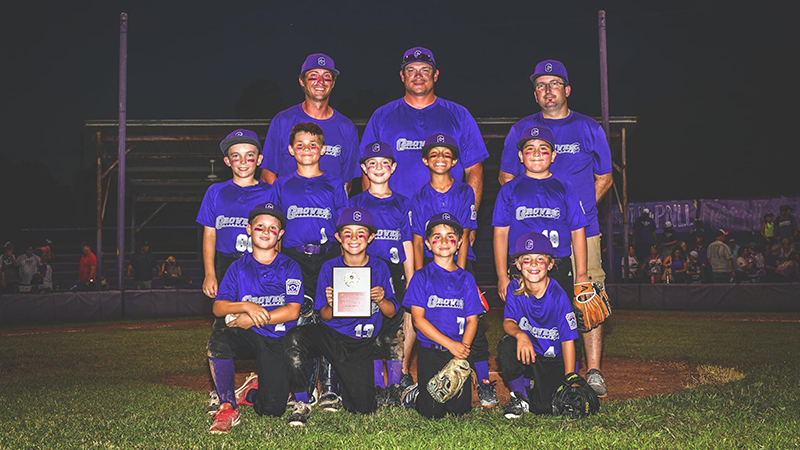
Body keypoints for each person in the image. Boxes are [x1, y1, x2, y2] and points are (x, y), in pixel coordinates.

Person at [498, 59, 612, 397]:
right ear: (535, 94)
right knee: (533, 298)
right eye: (541, 86)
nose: (548, 91)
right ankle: (537, 367)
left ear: (567, 90)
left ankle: (593, 370)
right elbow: (506, 177)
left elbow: (605, 177)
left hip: (581, 230)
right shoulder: (520, 130)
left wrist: (573, 213)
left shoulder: (589, 127)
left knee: (586, 293)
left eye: (555, 84)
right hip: (531, 237)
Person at [283, 206, 398, 426]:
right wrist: (332, 304)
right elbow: (325, 316)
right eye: (347, 233)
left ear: (371, 237)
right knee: (295, 338)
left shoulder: (379, 267)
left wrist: (381, 299)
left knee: (362, 408)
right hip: (333, 337)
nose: (354, 238)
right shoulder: (329, 267)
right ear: (338, 237)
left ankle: (345, 387)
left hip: (361, 343)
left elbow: (391, 312)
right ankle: (301, 399)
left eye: (361, 233)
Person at [409, 133, 497, 408]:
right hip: (430, 265)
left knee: (474, 323)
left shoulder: (464, 192)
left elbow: (465, 234)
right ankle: (417, 381)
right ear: (425, 160)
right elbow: (417, 240)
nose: (440, 159)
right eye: (434, 154)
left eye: (446, 154)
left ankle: (483, 382)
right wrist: (418, 275)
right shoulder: (419, 196)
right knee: (433, 318)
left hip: (460, 263)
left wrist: (458, 271)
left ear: (455, 161)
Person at [360, 46, 488, 227]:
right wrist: (372, 220)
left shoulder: (459, 115)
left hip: (446, 224)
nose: (418, 76)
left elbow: (474, 169)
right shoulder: (382, 116)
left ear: (435, 75)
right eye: (411, 70)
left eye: (425, 70)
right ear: (402, 76)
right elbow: (367, 170)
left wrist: (469, 221)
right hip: (393, 221)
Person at [206, 204, 303, 434]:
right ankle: (228, 406)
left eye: (272, 228)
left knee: (273, 409)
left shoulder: (290, 266)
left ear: (280, 234)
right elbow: (218, 307)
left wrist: (253, 318)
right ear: (249, 229)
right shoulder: (238, 267)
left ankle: (250, 392)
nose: (266, 232)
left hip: (277, 339)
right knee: (219, 341)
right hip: (249, 336)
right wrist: (247, 306)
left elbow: (292, 311)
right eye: (260, 226)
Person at [275, 122, 349, 409]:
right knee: (300, 319)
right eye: (300, 145)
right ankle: (304, 387)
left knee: (330, 317)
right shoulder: (282, 184)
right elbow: (275, 227)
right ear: (291, 149)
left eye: (313, 145)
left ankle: (330, 388)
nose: (307, 150)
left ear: (323, 149)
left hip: (327, 256)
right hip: (293, 258)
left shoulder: (334, 183)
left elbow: (343, 227)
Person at [400, 213, 483, 419]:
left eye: (450, 237)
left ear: (460, 243)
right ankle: (417, 394)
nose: (444, 241)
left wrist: (461, 351)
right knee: (431, 413)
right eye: (437, 237)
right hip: (431, 351)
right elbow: (418, 320)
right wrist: (451, 345)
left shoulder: (467, 279)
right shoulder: (421, 277)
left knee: (459, 412)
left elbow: (473, 320)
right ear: (428, 244)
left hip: (458, 351)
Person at [348, 141, 414, 397]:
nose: (378, 167)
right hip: (365, 271)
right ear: (364, 168)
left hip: (394, 272)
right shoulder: (356, 202)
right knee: (370, 327)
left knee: (395, 329)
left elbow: (407, 242)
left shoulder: (402, 203)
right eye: (372, 163)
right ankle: (376, 385)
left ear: (393, 167)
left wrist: (410, 277)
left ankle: (396, 384)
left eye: (384, 163)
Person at [496, 232, 578, 418]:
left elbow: (568, 341)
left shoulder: (558, 296)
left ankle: (534, 386)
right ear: (518, 264)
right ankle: (520, 397)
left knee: (546, 408)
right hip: (528, 352)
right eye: (527, 259)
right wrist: (520, 335)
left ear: (550, 264)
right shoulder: (514, 288)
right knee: (507, 345)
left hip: (553, 357)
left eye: (540, 259)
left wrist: (569, 380)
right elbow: (509, 322)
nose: (533, 264)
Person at [197, 129, 278, 305]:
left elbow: (278, 234)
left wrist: (274, 268)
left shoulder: (270, 192)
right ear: (227, 161)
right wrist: (209, 274)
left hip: (261, 263)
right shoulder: (215, 192)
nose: (242, 162)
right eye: (236, 156)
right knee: (225, 314)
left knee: (261, 315)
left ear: (259, 160)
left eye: (249, 156)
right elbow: (209, 235)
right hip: (225, 263)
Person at [259, 53, 360, 192]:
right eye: (313, 76)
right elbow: (267, 174)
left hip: (329, 205)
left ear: (333, 83)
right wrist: (285, 201)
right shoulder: (282, 121)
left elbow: (347, 183)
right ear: (302, 81)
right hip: (289, 205)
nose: (320, 81)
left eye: (326, 76)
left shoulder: (347, 127)